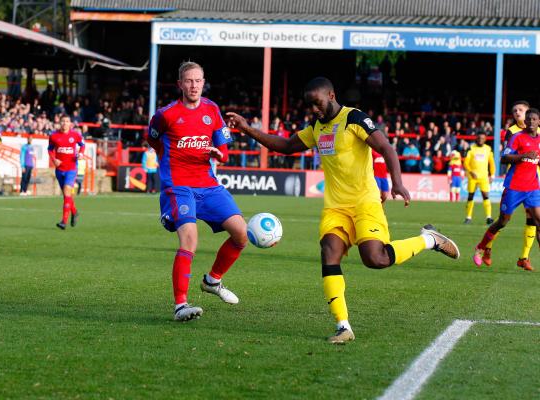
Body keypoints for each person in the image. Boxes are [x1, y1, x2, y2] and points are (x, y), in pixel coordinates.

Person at [226, 77, 460, 344]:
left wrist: (397, 182)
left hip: (364, 202)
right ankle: (343, 326)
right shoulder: (316, 127)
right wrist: (247, 129)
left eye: (317, 103)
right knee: (329, 252)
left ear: (331, 95)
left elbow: (386, 147)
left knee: (376, 259)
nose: (313, 110)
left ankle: (429, 239)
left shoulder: (354, 119)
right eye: (309, 105)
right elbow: (287, 146)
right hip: (335, 207)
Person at [148, 61, 248, 322]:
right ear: (180, 84)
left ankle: (212, 281)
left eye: (198, 81)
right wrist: (166, 159)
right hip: (178, 186)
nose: (194, 86)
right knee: (190, 239)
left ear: (204, 82)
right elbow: (152, 139)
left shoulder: (212, 109)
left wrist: (219, 154)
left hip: (208, 184)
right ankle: (180, 305)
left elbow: (223, 148)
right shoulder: (166, 114)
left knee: (241, 234)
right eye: (189, 81)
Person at [473, 108, 540, 271]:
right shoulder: (518, 137)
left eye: (534, 119)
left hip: (533, 187)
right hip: (514, 187)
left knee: (539, 222)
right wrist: (522, 156)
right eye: (528, 119)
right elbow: (504, 158)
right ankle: (481, 247)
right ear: (525, 121)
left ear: (539, 122)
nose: (531, 122)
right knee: (503, 221)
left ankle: (524, 258)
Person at [48, 115, 84, 230]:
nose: (64, 123)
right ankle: (74, 212)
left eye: (67, 121)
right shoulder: (54, 136)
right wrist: (54, 159)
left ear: (70, 124)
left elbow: (82, 145)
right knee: (66, 195)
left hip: (71, 169)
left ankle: (64, 221)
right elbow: (50, 149)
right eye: (63, 121)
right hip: (59, 170)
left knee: (67, 191)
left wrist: (81, 154)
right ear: (60, 123)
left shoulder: (75, 135)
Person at [463, 133, 495, 225]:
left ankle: (489, 217)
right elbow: (466, 163)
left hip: (484, 177)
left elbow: (491, 163)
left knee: (486, 196)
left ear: (485, 139)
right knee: (470, 196)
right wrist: (470, 171)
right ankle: (468, 217)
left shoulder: (488, 149)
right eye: (479, 138)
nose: (481, 139)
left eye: (483, 138)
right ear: (476, 138)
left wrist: (492, 175)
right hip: (472, 177)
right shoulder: (471, 148)